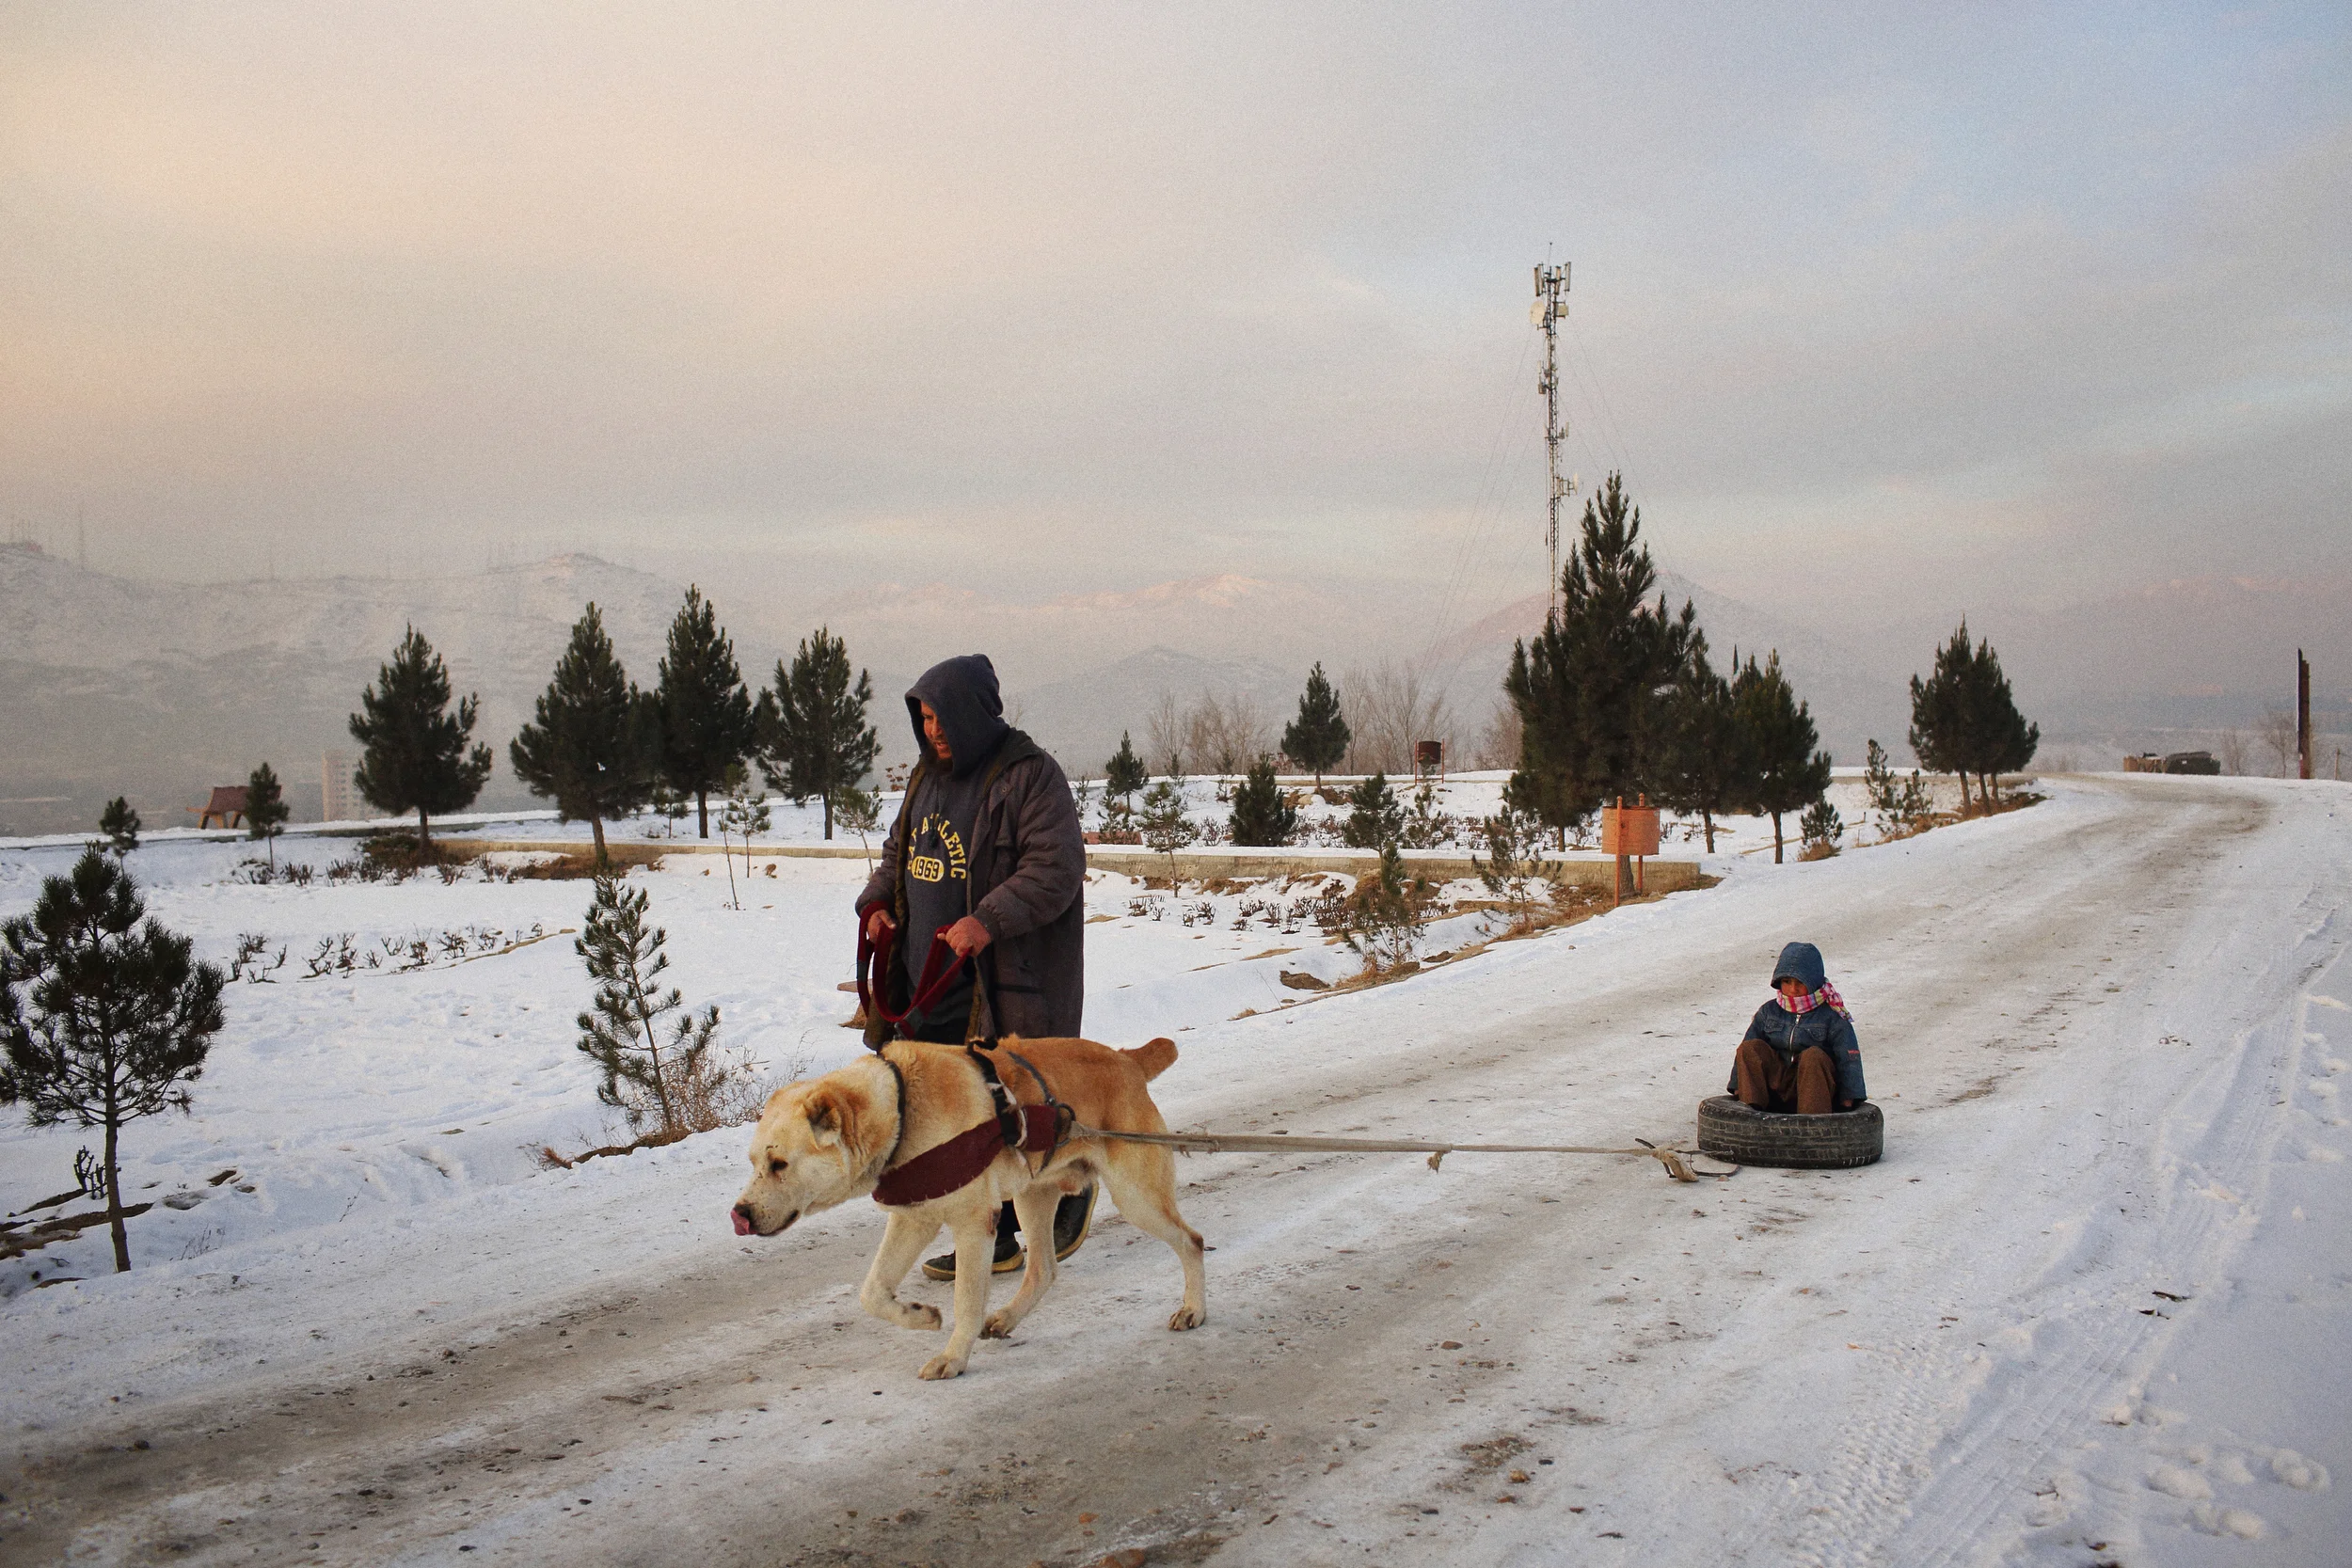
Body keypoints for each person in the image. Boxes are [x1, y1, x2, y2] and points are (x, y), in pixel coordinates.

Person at [856, 654, 1094, 1280]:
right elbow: (899, 851)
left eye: (939, 716)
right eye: (923, 717)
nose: (932, 729)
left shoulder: (1030, 777)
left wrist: (986, 919)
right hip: (929, 982)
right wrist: (878, 901)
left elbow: (1056, 867)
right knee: (958, 1117)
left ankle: (1068, 1193)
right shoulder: (925, 779)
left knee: (1024, 1103)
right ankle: (988, 1227)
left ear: (969, 711)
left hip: (1007, 980)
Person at [1729, 942, 1867, 1115]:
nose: (1793, 989)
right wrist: (1737, 1087)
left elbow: (1849, 1060)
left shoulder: (1832, 1017)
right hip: (1776, 1085)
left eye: (1800, 983)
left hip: (1815, 1089)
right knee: (1750, 1048)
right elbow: (1746, 1053)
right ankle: (1751, 1112)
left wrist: (1849, 1100)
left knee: (1813, 1056)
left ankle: (1811, 1122)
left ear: (1813, 983)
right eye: (1787, 982)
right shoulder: (1768, 1012)